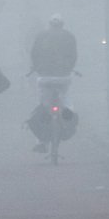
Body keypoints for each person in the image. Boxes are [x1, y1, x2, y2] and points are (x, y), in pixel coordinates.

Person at [28, 14, 78, 153]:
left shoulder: (41, 36)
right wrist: (68, 68)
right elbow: (73, 55)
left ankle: (41, 141)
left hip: (45, 77)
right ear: (63, 25)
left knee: (43, 105)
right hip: (63, 77)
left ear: (49, 25)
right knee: (67, 100)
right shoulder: (69, 36)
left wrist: (37, 67)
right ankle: (68, 120)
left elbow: (34, 54)